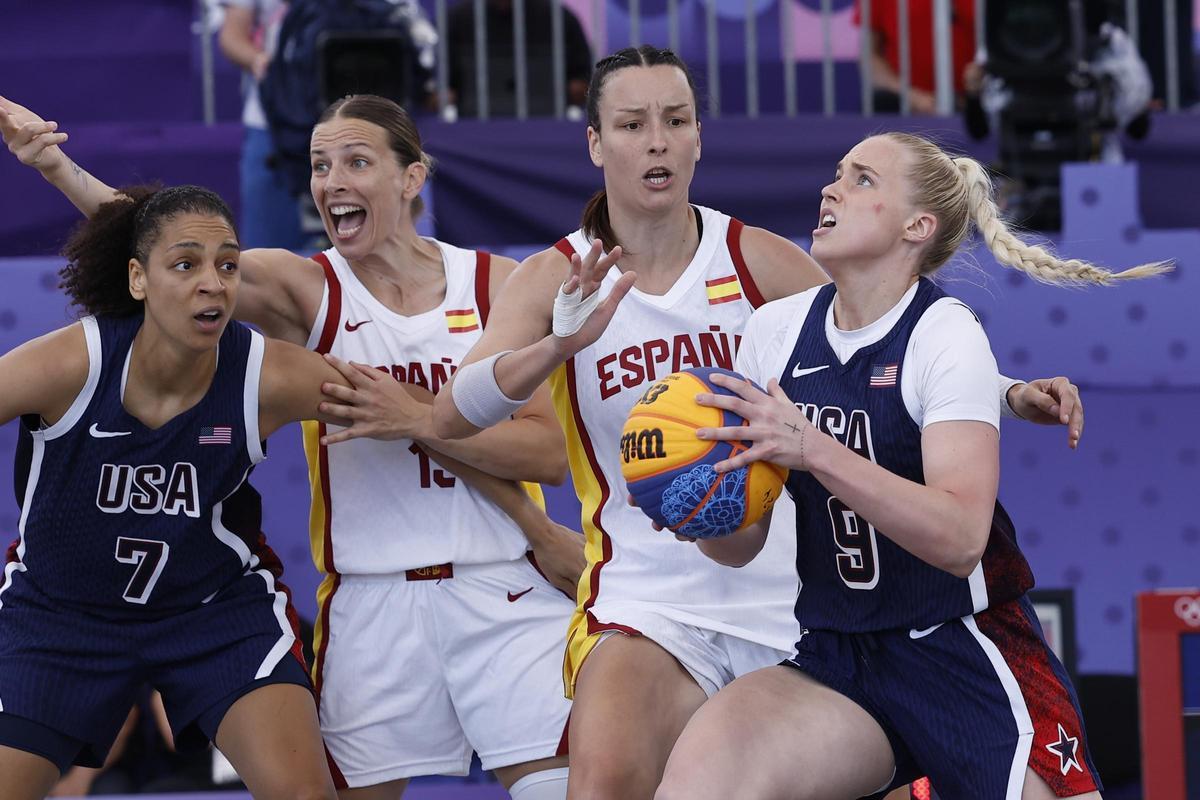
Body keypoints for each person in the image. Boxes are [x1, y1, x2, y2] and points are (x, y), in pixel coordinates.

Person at [430, 45, 1087, 799]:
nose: (657, 141)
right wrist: (561, 344)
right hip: (648, 592)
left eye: (675, 121)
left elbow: (880, 331)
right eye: (633, 123)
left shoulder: (755, 263)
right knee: (606, 781)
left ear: (699, 138)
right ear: (595, 143)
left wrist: (1003, 393)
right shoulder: (561, 277)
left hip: (786, 592)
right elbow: (454, 412)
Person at [1, 92, 581, 800]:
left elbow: (532, 452)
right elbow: (159, 240)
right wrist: (57, 167)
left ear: (412, 177)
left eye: (355, 161)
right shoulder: (303, 288)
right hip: (364, 595)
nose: (332, 180)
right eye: (318, 165)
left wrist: (533, 524)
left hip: (481, 581)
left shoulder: (494, 284)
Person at [652, 133, 1168, 799]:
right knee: (703, 780)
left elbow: (959, 540)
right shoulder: (773, 334)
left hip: (962, 651)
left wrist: (813, 448)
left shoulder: (945, 333)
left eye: (862, 179)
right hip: (840, 655)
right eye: (836, 173)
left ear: (915, 227)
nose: (831, 188)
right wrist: (698, 505)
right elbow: (742, 547)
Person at [0, 183, 358, 800]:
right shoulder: (73, 363)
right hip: (59, 615)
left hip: (211, 612)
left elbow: (424, 420)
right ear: (139, 279)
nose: (213, 283)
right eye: (186, 264)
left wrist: (535, 525)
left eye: (228, 265)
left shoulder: (264, 372)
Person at [215, 0, 308, 250]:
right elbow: (232, 35)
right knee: (266, 258)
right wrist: (260, 62)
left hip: (361, 119)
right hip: (272, 125)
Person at [445, 0, 593, 118]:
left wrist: (576, 90)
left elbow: (584, 82)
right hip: (473, 123)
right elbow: (442, 88)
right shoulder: (459, 18)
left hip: (546, 123)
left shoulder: (559, 18)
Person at [853, 0, 977, 113]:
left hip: (976, 97)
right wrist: (911, 96)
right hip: (903, 101)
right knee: (880, 103)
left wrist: (977, 86)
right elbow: (870, 56)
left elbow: (994, 51)